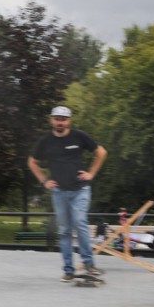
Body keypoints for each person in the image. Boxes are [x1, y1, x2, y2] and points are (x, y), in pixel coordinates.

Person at [28, 106, 108, 282]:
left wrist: (91, 173)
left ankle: (89, 264)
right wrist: (44, 181)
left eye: (63, 119)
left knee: (80, 222)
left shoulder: (79, 136)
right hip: (59, 192)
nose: (60, 122)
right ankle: (68, 270)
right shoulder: (46, 141)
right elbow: (32, 162)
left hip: (80, 189)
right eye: (57, 118)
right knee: (64, 230)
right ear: (51, 120)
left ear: (69, 121)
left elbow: (101, 152)